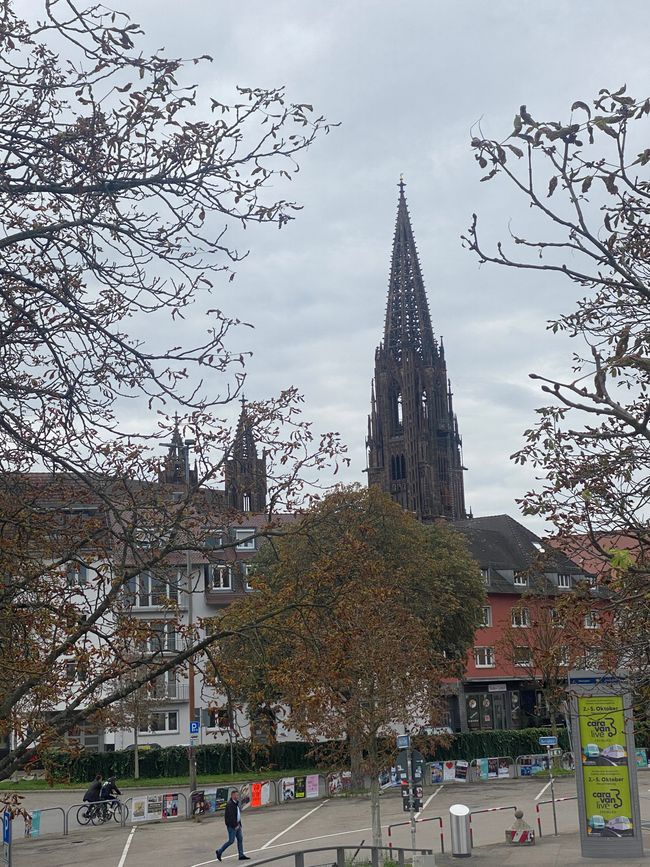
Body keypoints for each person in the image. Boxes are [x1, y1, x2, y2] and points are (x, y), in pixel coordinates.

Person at [216, 789, 250, 861]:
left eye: (238, 795)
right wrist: (235, 825)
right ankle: (219, 851)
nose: (237, 796)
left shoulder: (235, 803)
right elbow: (231, 817)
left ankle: (241, 855)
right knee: (231, 841)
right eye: (236, 795)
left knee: (240, 839)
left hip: (237, 824)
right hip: (232, 826)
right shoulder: (230, 804)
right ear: (232, 795)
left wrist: (239, 824)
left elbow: (237, 814)